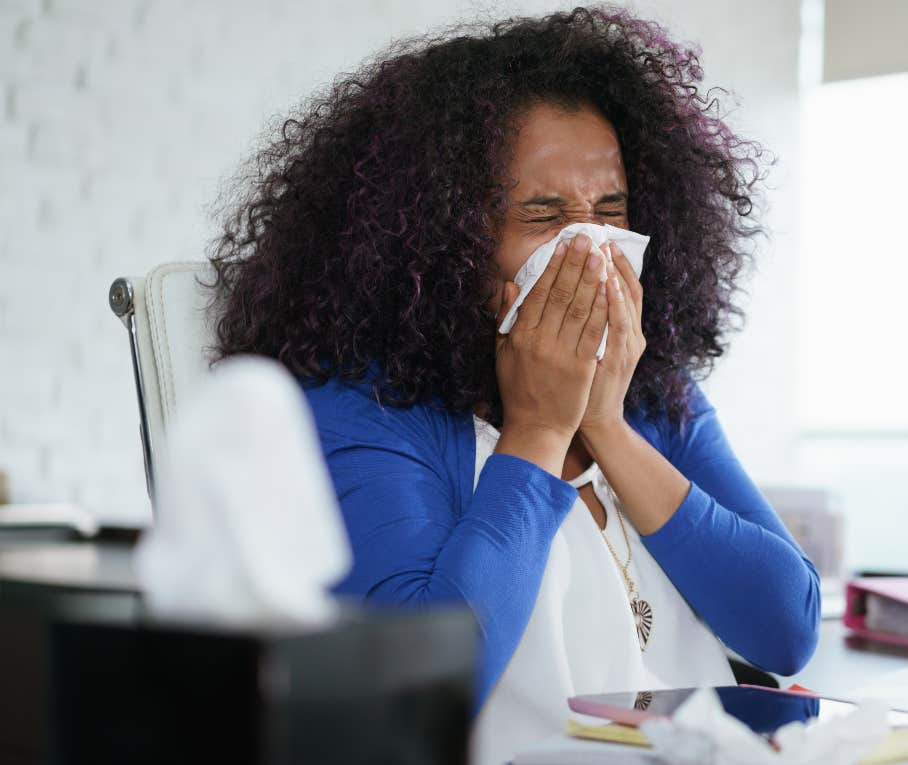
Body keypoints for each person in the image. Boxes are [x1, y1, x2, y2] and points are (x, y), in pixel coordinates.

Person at [207, 6, 819, 759]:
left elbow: (788, 628)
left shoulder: (656, 391)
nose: (592, 246)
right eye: (544, 214)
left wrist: (609, 426)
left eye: (611, 209)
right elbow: (412, 698)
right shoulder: (361, 408)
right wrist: (537, 430)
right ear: (441, 236)